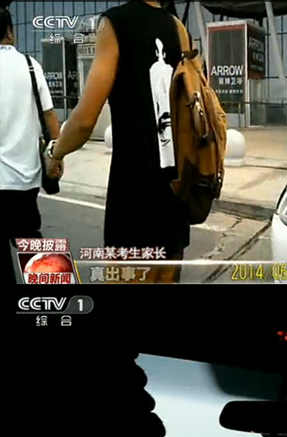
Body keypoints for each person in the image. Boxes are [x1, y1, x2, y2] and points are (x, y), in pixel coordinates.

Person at [45, 0, 191, 284]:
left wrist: (55, 152)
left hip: (133, 202)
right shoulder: (179, 28)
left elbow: (85, 119)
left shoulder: (113, 24)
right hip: (175, 200)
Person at [0, 5, 62, 284]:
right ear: (10, 32)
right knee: (33, 243)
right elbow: (49, 115)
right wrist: (57, 155)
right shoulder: (30, 65)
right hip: (25, 178)